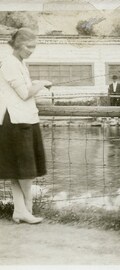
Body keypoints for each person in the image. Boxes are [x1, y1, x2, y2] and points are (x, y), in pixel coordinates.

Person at [0, 28, 52, 224]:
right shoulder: (9, 64)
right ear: (18, 45)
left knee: (19, 169)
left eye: (34, 47)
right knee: (24, 169)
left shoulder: (20, 63)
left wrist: (37, 84)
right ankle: (26, 208)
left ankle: (20, 210)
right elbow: (24, 94)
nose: (32, 50)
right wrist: (42, 83)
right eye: (29, 46)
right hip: (15, 121)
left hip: (25, 118)